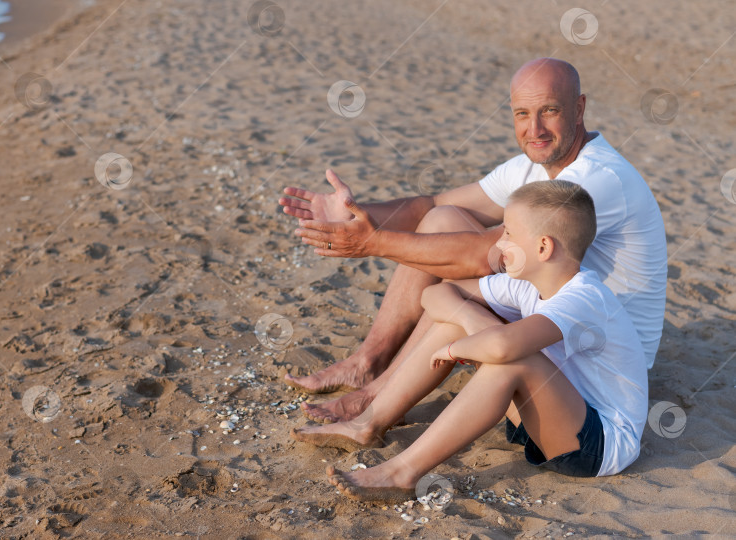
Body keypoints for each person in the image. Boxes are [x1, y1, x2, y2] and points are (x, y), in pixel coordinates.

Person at [279, 57, 666, 425]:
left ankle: (375, 395)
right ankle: (368, 363)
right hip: (560, 320)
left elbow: (486, 255)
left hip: (599, 359)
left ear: (578, 109)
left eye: (549, 111)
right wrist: (355, 213)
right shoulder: (534, 165)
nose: (534, 129)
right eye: (522, 114)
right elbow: (433, 205)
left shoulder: (596, 178)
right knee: (441, 220)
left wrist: (372, 243)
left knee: (464, 281)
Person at [291, 180, 649, 501]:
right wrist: (468, 320)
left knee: (510, 361)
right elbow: (435, 294)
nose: (499, 243)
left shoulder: (584, 298)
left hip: (598, 444)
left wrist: (454, 350)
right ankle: (369, 423)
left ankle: (403, 472)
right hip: (550, 417)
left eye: (509, 234)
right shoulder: (526, 284)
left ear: (543, 247)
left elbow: (502, 348)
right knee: (461, 320)